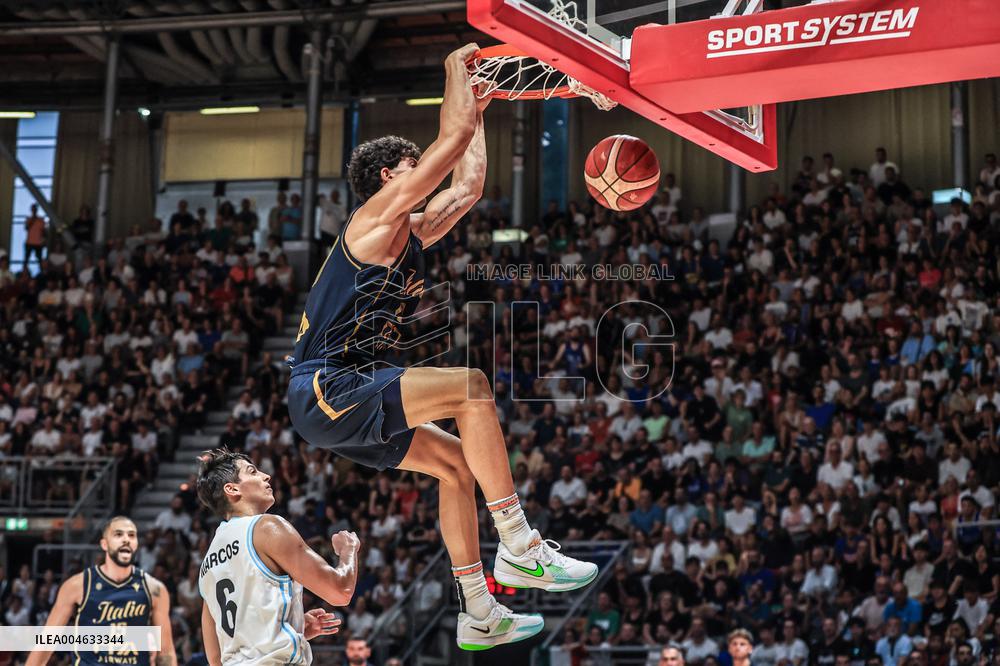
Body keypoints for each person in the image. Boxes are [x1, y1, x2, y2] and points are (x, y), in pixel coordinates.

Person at [285, 42, 597, 651]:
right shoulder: (374, 217)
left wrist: (478, 109)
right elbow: (448, 144)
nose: (422, 174)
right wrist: (459, 73)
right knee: (472, 388)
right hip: (328, 384)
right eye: (412, 165)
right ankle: (519, 542)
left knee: (456, 466)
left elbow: (468, 184)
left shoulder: (411, 230)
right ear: (389, 176)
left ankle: (478, 610)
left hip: (347, 391)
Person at [196, 449, 352, 665]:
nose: (265, 476)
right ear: (231, 489)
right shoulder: (267, 527)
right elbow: (340, 591)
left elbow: (215, 658)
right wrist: (348, 552)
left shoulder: (208, 563)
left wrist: (293, 627)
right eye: (252, 472)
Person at [26, 516, 176, 666]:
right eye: (118, 534)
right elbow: (46, 642)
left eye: (131, 535)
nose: (126, 540)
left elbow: (166, 651)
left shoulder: (155, 590)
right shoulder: (77, 585)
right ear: (104, 544)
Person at [24, 204, 47, 268]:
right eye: (33, 209)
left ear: (37, 210)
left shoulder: (41, 220)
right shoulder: (28, 219)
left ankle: (42, 273)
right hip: (29, 242)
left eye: (35, 209)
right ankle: (24, 273)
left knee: (39, 260)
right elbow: (26, 228)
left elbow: (44, 232)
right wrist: (33, 219)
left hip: (38, 243)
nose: (34, 210)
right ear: (31, 210)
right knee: (26, 260)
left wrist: (44, 241)